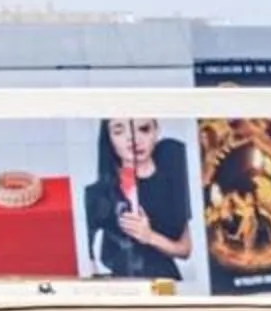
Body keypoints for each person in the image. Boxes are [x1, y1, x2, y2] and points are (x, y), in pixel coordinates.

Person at [83, 117, 195, 279]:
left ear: (156, 130)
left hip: (166, 282)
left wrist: (149, 236)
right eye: (119, 131)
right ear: (109, 138)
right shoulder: (99, 194)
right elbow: (86, 257)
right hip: (122, 286)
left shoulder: (173, 164)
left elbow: (185, 249)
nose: (133, 139)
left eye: (143, 129)